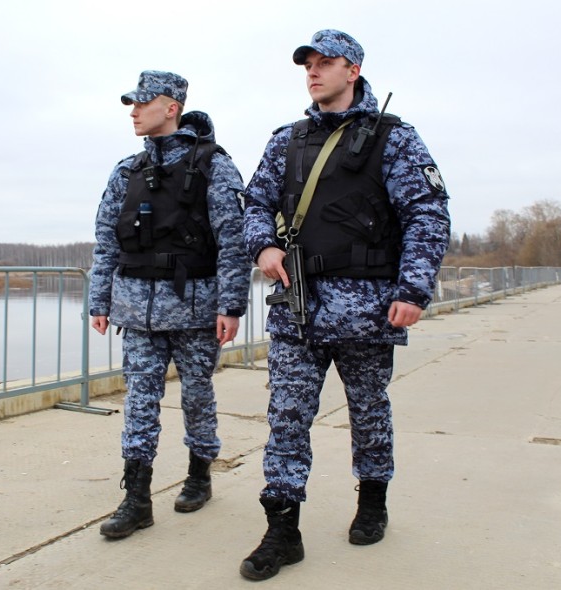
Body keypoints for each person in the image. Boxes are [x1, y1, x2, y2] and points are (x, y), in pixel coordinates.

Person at [239, 30, 451, 580]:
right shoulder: (286, 141)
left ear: (352, 69)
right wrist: (262, 244)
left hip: (367, 308)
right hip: (297, 307)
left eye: (325, 63)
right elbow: (256, 202)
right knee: (286, 418)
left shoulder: (394, 138)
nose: (313, 72)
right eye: (307, 65)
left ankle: (373, 502)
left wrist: (412, 289)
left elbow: (427, 213)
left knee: (369, 412)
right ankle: (282, 529)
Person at [89, 70, 252, 539]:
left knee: (197, 395)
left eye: (144, 103)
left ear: (172, 107)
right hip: (136, 309)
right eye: (132, 105)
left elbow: (232, 241)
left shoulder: (214, 166)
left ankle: (200, 474)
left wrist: (232, 306)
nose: (134, 112)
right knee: (140, 400)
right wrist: (100, 300)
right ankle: (136, 499)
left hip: (196, 310)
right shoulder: (127, 171)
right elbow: (105, 242)